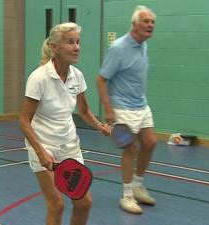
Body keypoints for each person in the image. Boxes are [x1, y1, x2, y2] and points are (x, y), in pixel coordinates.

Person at [19, 22, 110, 225]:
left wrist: (99, 125)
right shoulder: (38, 78)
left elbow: (84, 110)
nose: (77, 47)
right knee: (56, 204)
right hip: (44, 147)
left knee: (84, 203)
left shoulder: (77, 76)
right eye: (70, 42)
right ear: (55, 47)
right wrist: (41, 151)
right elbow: (24, 120)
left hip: (70, 147)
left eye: (78, 42)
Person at [96, 5, 157, 214]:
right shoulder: (119, 48)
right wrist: (109, 110)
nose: (150, 25)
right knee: (130, 149)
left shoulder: (143, 45)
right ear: (134, 25)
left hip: (141, 104)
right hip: (122, 106)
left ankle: (138, 185)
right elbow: (101, 80)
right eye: (146, 21)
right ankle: (127, 195)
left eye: (152, 22)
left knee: (150, 142)